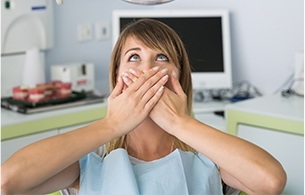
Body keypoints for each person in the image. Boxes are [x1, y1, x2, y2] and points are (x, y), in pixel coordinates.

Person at [1, 19, 286, 195]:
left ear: (179, 76)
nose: (147, 68)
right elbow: (7, 182)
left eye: (161, 58)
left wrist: (179, 122)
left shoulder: (207, 158)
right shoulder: (90, 162)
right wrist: (112, 125)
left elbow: (270, 182)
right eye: (134, 57)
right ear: (116, 76)